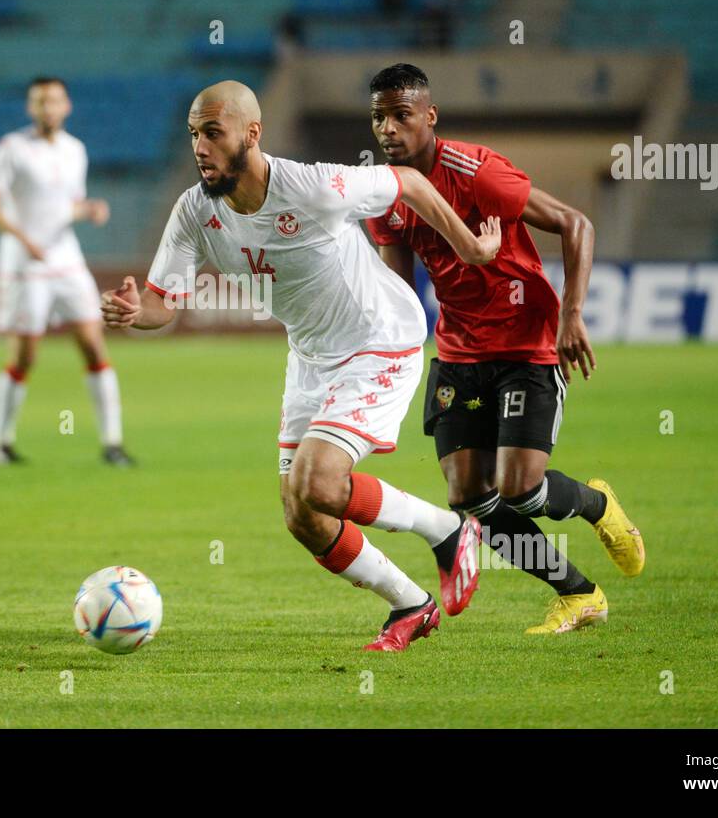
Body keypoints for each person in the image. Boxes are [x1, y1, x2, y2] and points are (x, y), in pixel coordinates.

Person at [102, 80, 498, 651]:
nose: (200, 147)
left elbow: (409, 182)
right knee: (302, 514)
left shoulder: (315, 187)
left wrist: (470, 248)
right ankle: (411, 604)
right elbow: (163, 304)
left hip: (378, 337)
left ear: (251, 134)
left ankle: (447, 529)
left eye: (213, 132)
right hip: (310, 355)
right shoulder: (194, 211)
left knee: (319, 481)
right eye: (194, 134)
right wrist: (134, 310)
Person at [363, 63, 643, 633]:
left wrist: (572, 314)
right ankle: (578, 593)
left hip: (527, 345)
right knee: (470, 496)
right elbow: (400, 292)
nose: (388, 129)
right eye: (378, 118)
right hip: (459, 355)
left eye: (400, 116)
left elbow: (575, 223)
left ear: (429, 116)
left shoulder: (477, 172)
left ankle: (596, 505)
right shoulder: (386, 196)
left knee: (521, 489)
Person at [0, 77, 134, 467]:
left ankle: (112, 443)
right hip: (25, 264)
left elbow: (69, 204)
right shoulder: (12, 148)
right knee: (25, 355)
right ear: (31, 108)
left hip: (67, 260)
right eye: (40, 101)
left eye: (54, 100)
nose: (48, 107)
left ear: (67, 106)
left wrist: (89, 209)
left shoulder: (75, 150)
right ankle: (0, 442)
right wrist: (19, 236)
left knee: (94, 344)